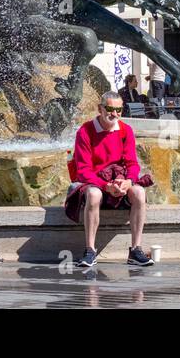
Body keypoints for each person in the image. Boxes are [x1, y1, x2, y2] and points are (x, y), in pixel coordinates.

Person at [65, 90, 152, 268]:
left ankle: (135, 250)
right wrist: (106, 186)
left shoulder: (126, 130)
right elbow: (83, 171)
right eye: (110, 109)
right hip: (94, 184)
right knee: (95, 194)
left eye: (119, 110)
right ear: (100, 109)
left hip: (117, 182)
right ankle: (90, 250)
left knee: (139, 191)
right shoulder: (85, 131)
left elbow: (133, 164)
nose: (115, 114)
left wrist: (128, 181)